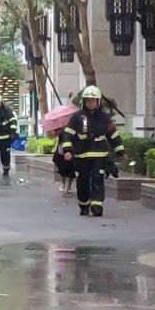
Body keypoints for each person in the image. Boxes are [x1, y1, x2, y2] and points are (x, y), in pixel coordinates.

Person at [63, 85, 125, 217]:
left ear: (98, 102)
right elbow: (68, 135)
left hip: (100, 155)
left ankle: (97, 205)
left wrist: (120, 151)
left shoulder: (104, 118)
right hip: (81, 156)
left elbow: (113, 135)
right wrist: (68, 150)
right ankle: (84, 205)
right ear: (84, 101)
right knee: (83, 181)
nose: (90, 103)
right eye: (88, 100)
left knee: (98, 179)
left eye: (93, 100)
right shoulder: (77, 117)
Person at [52, 127, 75, 193]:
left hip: (72, 150)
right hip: (61, 152)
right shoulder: (61, 129)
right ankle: (63, 184)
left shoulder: (74, 128)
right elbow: (56, 135)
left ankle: (69, 186)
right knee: (62, 169)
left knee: (72, 169)